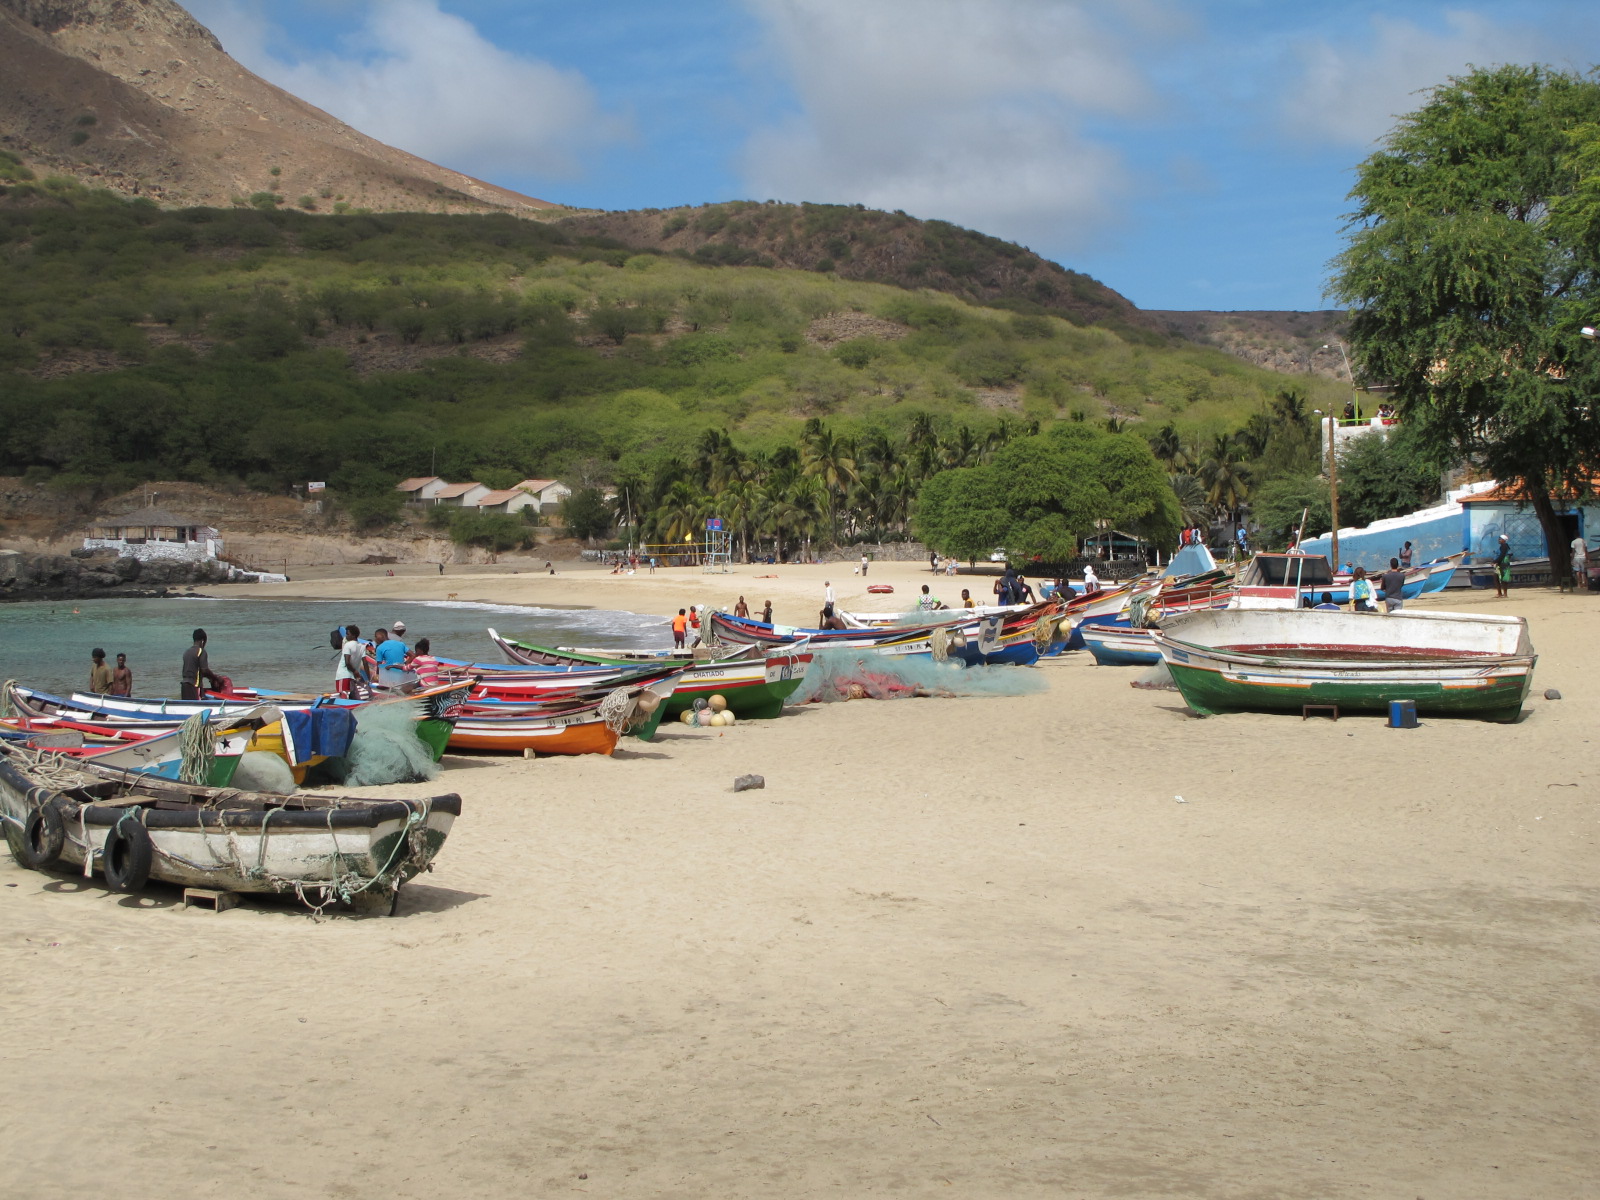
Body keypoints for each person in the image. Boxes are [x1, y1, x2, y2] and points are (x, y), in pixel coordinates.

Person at [181, 628, 222, 701]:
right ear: (203, 641)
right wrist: (215, 678)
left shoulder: (187, 652)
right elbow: (204, 670)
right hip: (194, 686)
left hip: (184, 686)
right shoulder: (201, 651)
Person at [334, 624, 368, 698]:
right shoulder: (362, 646)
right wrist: (367, 679)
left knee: (342, 696)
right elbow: (365, 663)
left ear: (354, 635)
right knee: (351, 697)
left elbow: (347, 663)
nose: (346, 636)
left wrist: (354, 671)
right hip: (353, 678)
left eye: (348, 634)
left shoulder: (348, 645)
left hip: (343, 675)